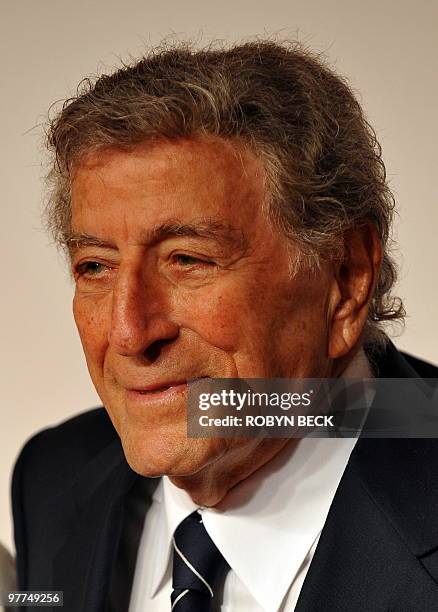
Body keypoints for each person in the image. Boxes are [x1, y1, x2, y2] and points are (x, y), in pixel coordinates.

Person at [11, 40, 438, 611]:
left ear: (345, 279)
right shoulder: (54, 477)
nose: (130, 333)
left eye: (187, 260)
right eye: (95, 266)